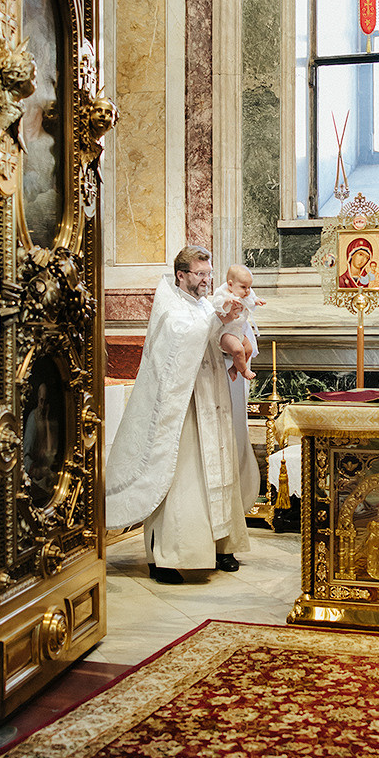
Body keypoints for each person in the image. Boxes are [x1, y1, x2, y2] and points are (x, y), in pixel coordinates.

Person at [105, 245, 259, 584]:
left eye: (208, 274)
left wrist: (231, 325)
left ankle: (222, 546)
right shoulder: (169, 304)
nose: (206, 280)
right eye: (199, 274)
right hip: (183, 410)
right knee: (184, 477)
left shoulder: (205, 303)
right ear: (182, 275)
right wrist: (216, 321)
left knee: (219, 471)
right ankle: (166, 556)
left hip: (212, 399)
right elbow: (180, 335)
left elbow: (219, 334)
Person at [212, 262, 265, 381]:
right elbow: (217, 304)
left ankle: (234, 369)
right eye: (243, 287)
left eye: (249, 287)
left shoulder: (246, 294)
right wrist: (227, 301)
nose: (247, 291)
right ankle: (244, 370)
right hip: (226, 333)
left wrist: (256, 300)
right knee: (237, 349)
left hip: (239, 332)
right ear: (230, 285)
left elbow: (251, 299)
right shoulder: (224, 293)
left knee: (249, 350)